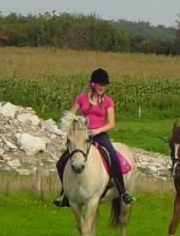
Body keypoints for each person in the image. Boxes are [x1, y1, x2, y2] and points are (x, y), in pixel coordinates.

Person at [53, 68, 133, 207]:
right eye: (99, 84)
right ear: (93, 84)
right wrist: (77, 123)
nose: (102, 87)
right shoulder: (81, 98)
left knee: (113, 158)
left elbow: (112, 123)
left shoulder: (108, 102)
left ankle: (122, 192)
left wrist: (97, 131)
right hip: (82, 136)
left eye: (104, 85)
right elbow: (70, 116)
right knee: (61, 162)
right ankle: (64, 194)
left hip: (100, 135)